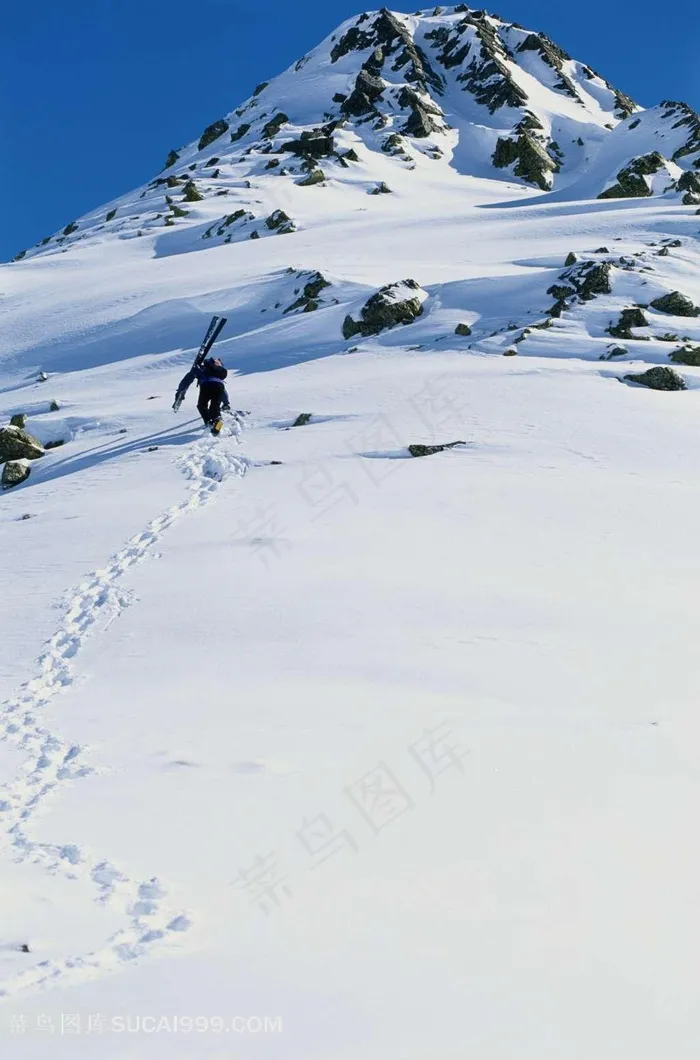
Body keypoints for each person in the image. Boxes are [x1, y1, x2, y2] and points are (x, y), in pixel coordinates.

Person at [173, 356, 231, 430]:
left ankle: (208, 423)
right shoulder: (219, 373)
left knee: (202, 406)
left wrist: (180, 391)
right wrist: (226, 403)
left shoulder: (202, 369)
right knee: (215, 406)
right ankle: (217, 420)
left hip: (206, 386)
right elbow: (223, 391)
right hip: (219, 386)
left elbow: (187, 380)